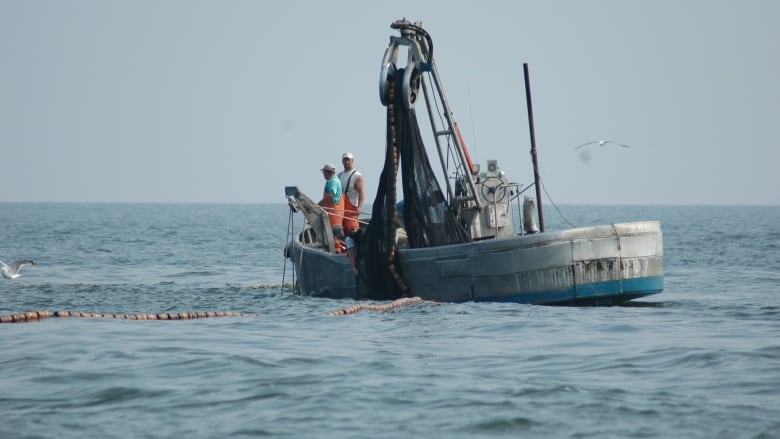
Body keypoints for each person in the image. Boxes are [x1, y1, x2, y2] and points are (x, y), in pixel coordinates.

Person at [338, 152, 366, 232]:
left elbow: (362, 192)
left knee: (352, 230)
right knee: (340, 230)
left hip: (352, 209)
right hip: (340, 208)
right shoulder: (339, 175)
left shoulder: (357, 176)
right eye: (344, 160)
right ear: (342, 161)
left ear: (352, 161)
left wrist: (359, 207)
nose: (346, 162)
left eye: (348, 160)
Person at [318, 163, 344, 229]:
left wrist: (318, 205)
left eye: (324, 172)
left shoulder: (332, 182)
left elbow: (330, 196)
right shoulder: (337, 180)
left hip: (332, 212)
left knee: (333, 232)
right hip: (337, 211)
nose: (323, 174)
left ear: (328, 172)